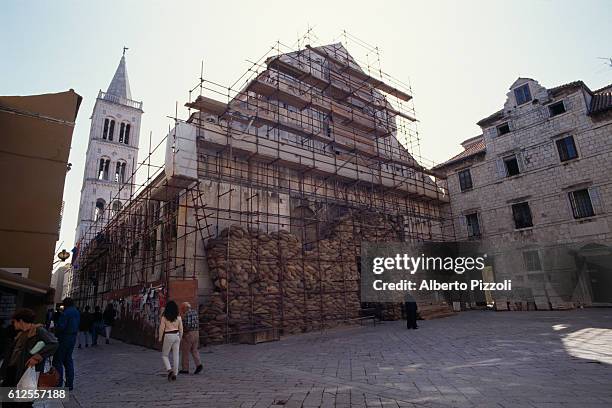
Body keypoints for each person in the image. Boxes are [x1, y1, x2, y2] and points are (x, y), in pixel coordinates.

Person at [0, 309, 58, 408]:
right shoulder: (21, 333)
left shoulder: (38, 330)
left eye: (14, 321)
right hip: (13, 371)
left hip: (25, 373)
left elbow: (54, 343)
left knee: (22, 402)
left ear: (21, 321)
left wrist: (37, 357)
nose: (13, 324)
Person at [52, 297, 80, 390]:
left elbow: (61, 326)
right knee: (68, 360)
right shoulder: (76, 312)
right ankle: (69, 384)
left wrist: (55, 329)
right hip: (73, 337)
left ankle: (58, 383)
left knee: (58, 360)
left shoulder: (66, 313)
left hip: (64, 337)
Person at [158, 301, 183, 381]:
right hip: (177, 335)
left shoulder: (164, 318)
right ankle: (175, 373)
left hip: (168, 335)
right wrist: (180, 337)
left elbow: (161, 329)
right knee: (176, 355)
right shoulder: (178, 317)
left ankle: (169, 370)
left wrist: (160, 338)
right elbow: (181, 329)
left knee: (165, 355)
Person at [179, 302, 203, 375]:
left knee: (185, 351)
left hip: (189, 333)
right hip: (196, 333)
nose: (182, 310)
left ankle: (185, 369)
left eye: (182, 309)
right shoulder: (195, 312)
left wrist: (183, 333)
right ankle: (199, 364)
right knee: (194, 350)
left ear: (185, 308)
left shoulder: (187, 314)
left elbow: (187, 325)